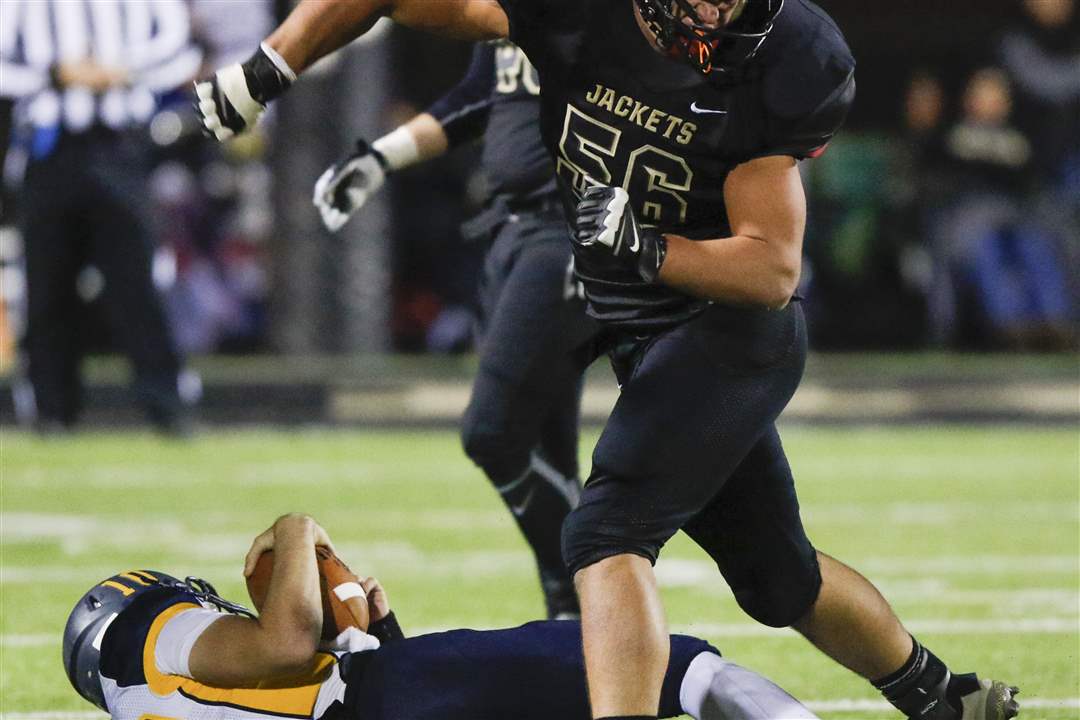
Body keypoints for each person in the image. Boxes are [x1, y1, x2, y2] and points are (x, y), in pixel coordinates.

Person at [193, 2, 1021, 719]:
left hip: (730, 333)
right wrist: (269, 69)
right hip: (644, 331)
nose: (717, 16)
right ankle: (942, 696)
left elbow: (770, 270)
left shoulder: (791, 55)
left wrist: (647, 244)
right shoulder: (576, 12)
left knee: (605, 532)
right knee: (777, 578)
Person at [311, 40, 599, 619]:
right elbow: (478, 98)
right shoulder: (506, 15)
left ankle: (595, 578)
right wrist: (381, 158)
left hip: (572, 229)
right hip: (511, 229)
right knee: (547, 446)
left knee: (490, 433)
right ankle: (574, 618)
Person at [62, 513, 821, 720]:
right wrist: (296, 528)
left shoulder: (148, 705)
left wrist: (373, 632)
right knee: (680, 667)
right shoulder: (152, 637)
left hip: (383, 696)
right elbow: (289, 646)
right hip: (383, 698)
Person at [0, 0, 201, 434]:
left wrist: (122, 69)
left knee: (139, 284)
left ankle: (168, 407)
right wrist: (56, 73)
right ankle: (52, 410)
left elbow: (178, 49)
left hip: (120, 147)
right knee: (48, 287)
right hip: (50, 150)